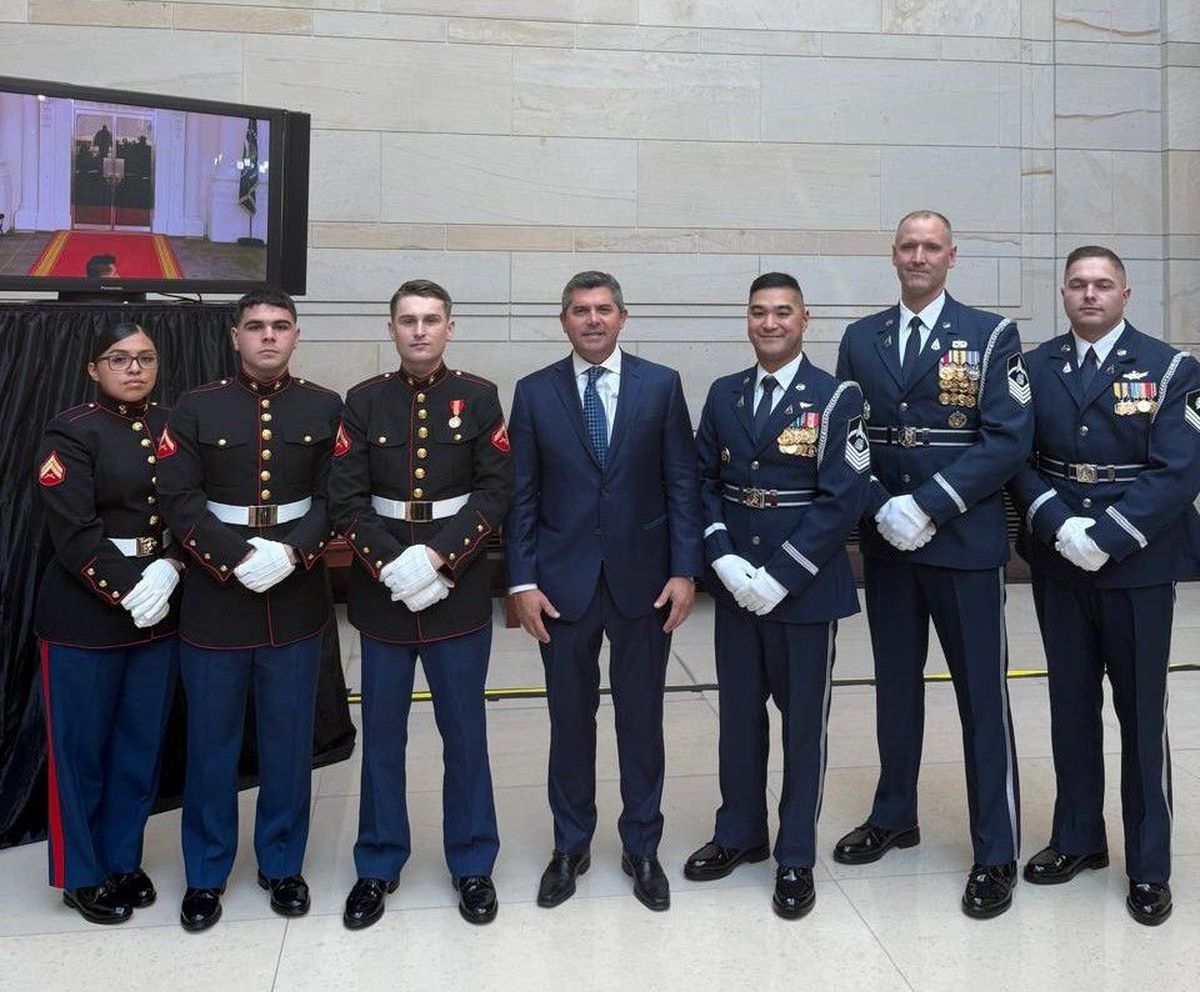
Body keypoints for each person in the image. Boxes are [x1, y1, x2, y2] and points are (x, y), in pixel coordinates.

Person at [833, 210, 1034, 918]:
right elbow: (847, 435)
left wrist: (930, 504)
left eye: (931, 247)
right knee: (895, 689)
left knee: (982, 697)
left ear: (952, 256)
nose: (919, 256)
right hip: (890, 542)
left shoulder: (990, 334)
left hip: (963, 543)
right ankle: (895, 814)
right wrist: (886, 505)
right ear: (893, 255)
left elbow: (1009, 437)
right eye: (908, 246)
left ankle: (996, 848)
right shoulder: (861, 338)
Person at [1008, 246, 1200, 926]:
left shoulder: (1174, 368)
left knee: (1141, 715)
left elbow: (1180, 471)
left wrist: (1108, 534)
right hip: (1059, 561)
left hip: (1138, 565)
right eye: (1079, 285)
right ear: (1063, 293)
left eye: (1103, 285)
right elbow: (1016, 457)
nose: (1090, 295)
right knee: (1070, 707)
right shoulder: (1033, 369)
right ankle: (1079, 838)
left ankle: (1148, 866)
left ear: (1126, 293)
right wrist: (1061, 526)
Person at [505, 270, 703, 912]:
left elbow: (681, 484)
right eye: (580, 311)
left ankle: (642, 845)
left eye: (604, 310)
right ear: (563, 320)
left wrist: (684, 570)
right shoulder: (534, 394)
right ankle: (571, 845)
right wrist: (523, 580)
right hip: (560, 588)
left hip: (644, 583)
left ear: (623, 317)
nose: (592, 320)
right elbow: (522, 496)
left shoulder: (661, 385)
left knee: (642, 720)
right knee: (569, 721)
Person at [685, 273, 869, 918]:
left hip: (806, 591)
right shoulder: (724, 393)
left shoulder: (837, 396)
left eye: (782, 313)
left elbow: (842, 496)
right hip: (738, 586)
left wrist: (782, 573)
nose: (770, 323)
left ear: (804, 319)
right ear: (748, 320)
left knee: (802, 729)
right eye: (759, 312)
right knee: (737, 719)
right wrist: (722, 556)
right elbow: (703, 479)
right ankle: (740, 833)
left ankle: (795, 856)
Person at [329, 280, 513, 929]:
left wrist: (437, 558)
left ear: (450, 328)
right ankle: (378, 862)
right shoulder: (364, 401)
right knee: (382, 734)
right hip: (383, 595)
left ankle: (472, 862)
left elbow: (495, 493)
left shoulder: (480, 397)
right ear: (392, 328)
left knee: (464, 733)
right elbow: (347, 499)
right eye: (408, 320)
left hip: (455, 589)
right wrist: (391, 564)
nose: (419, 331)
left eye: (431, 320)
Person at [157, 290, 342, 931]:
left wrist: (293, 554)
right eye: (256, 327)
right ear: (235, 336)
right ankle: (206, 875)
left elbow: (333, 497)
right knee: (211, 744)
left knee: (289, 742)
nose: (268, 337)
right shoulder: (196, 407)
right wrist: (235, 559)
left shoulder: (325, 406)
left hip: (294, 598)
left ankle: (282, 865)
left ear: (296, 336)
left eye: (280, 327)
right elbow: (179, 501)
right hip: (218, 599)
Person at [34, 322, 181, 924]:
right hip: (85, 618)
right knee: (80, 751)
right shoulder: (70, 431)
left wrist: (173, 565)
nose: (134, 369)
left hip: (160, 610)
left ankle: (122, 858)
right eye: (118, 359)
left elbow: (187, 507)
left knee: (138, 747)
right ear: (93, 369)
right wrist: (128, 590)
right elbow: (73, 532)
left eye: (145, 358)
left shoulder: (174, 425)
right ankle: (81, 873)